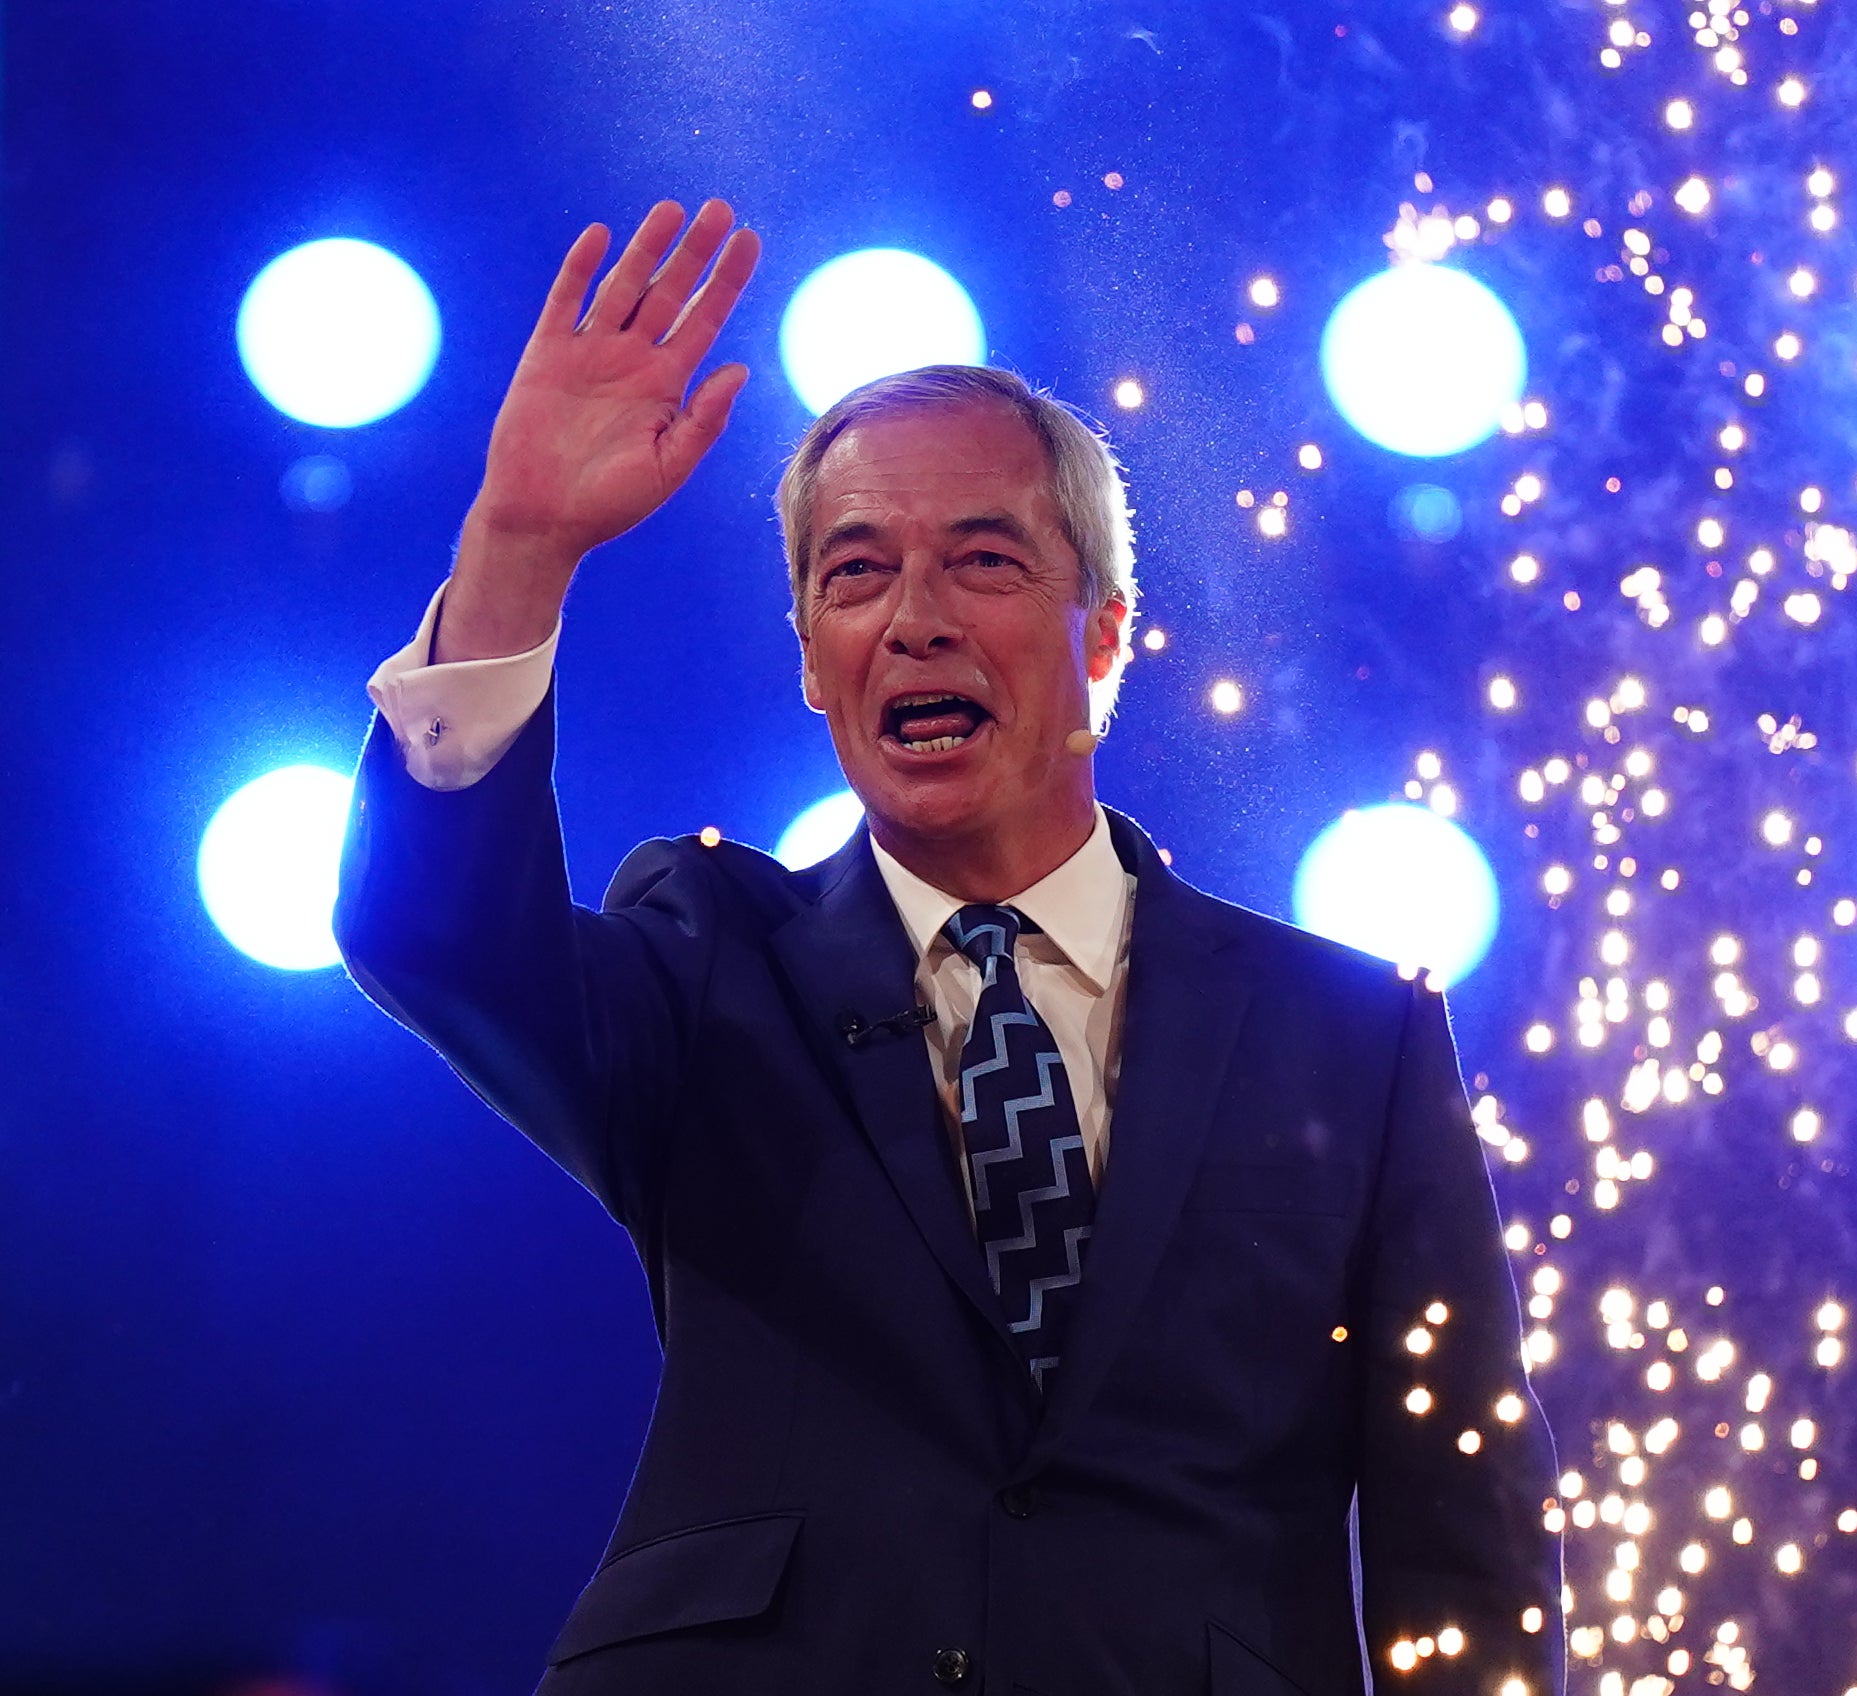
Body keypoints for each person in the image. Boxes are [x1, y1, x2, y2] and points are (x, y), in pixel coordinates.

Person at [334, 198, 1562, 1696]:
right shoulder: (711, 963)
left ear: (1102, 635)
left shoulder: (1350, 1041)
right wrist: (517, 549)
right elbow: (442, 941)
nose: (913, 619)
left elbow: (1466, 1538)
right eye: (854, 574)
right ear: (812, 658)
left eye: (983, 561)